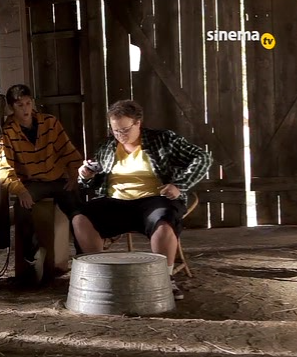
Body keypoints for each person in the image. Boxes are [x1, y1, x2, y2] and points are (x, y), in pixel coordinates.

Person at [73, 99, 212, 300]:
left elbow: (203, 158)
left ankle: (164, 279)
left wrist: (180, 185)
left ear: (138, 122)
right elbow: (91, 184)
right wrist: (85, 175)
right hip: (116, 201)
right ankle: (99, 276)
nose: (120, 135)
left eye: (125, 129)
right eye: (115, 130)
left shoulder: (163, 140)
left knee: (163, 219)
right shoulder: (107, 146)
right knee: (81, 217)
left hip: (154, 199)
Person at [0, 84, 84, 281]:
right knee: (22, 209)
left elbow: (68, 150)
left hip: (58, 179)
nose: (25, 109)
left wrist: (74, 174)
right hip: (32, 183)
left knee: (77, 209)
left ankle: (84, 255)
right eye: (20, 105)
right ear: (11, 107)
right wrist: (19, 190)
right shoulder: (8, 132)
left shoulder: (50, 122)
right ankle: (32, 256)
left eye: (28, 103)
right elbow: (4, 166)